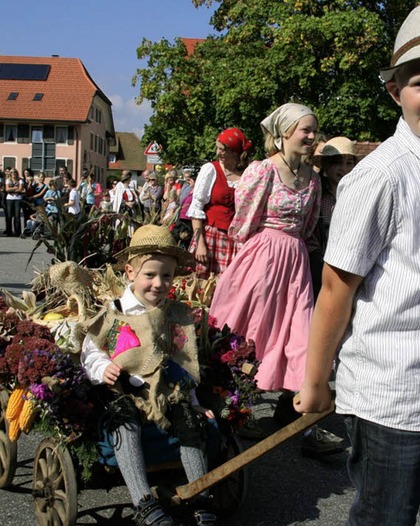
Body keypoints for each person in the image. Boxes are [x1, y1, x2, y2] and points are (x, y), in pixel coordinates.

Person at [296, 4, 420, 524]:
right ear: (395, 91)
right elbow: (337, 286)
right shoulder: (380, 177)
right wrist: (316, 378)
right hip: (393, 400)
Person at [209, 104, 345, 456]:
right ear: (284, 133)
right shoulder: (263, 170)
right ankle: (233, 408)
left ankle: (303, 423)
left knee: (299, 336)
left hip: (296, 262)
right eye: (306, 130)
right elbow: (243, 223)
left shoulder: (313, 179)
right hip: (262, 258)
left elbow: (311, 227)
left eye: (315, 130)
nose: (312, 137)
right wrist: (247, 266)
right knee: (247, 333)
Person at [80, 225, 217, 526]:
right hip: (125, 391)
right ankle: (143, 501)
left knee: (188, 421)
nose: (158, 283)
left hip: (165, 392)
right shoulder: (115, 311)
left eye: (166, 276)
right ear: (130, 272)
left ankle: (200, 493)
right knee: (124, 421)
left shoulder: (174, 314)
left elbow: (183, 363)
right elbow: (91, 351)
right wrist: (104, 367)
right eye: (149, 275)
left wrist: (192, 400)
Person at [187, 128, 253, 278]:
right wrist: (200, 243)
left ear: (235, 152)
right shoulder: (210, 170)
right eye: (218, 148)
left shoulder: (248, 174)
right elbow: (196, 208)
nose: (219, 153)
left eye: (224, 150)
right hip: (210, 238)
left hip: (236, 242)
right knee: (203, 289)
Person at [307, 136, 358, 299]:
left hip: (348, 263)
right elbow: (309, 230)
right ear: (326, 166)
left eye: (349, 163)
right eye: (337, 163)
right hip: (319, 261)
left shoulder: (358, 193)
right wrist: (316, 259)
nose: (343, 168)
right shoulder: (317, 192)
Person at [4, 169, 25, 236]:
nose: (13, 173)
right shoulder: (8, 180)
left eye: (15, 172)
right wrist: (16, 188)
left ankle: (17, 232)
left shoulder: (20, 180)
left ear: (17, 173)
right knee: (9, 216)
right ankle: (9, 232)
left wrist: (12, 189)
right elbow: (7, 189)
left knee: (17, 216)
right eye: (12, 172)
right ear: (10, 173)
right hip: (9, 199)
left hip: (17, 199)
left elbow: (20, 189)